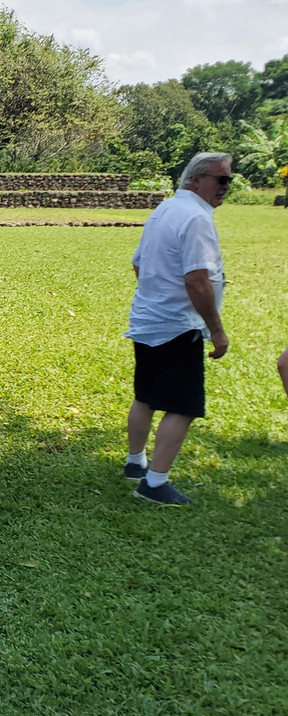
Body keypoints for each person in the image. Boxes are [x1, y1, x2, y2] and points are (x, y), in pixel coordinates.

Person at [124, 152, 232, 505]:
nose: (226, 188)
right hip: (177, 325)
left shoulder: (165, 209)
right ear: (196, 179)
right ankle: (154, 483)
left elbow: (139, 263)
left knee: (147, 395)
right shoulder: (196, 217)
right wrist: (215, 329)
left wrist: (157, 294)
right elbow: (198, 280)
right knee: (183, 405)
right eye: (221, 180)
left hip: (149, 318)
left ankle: (135, 462)